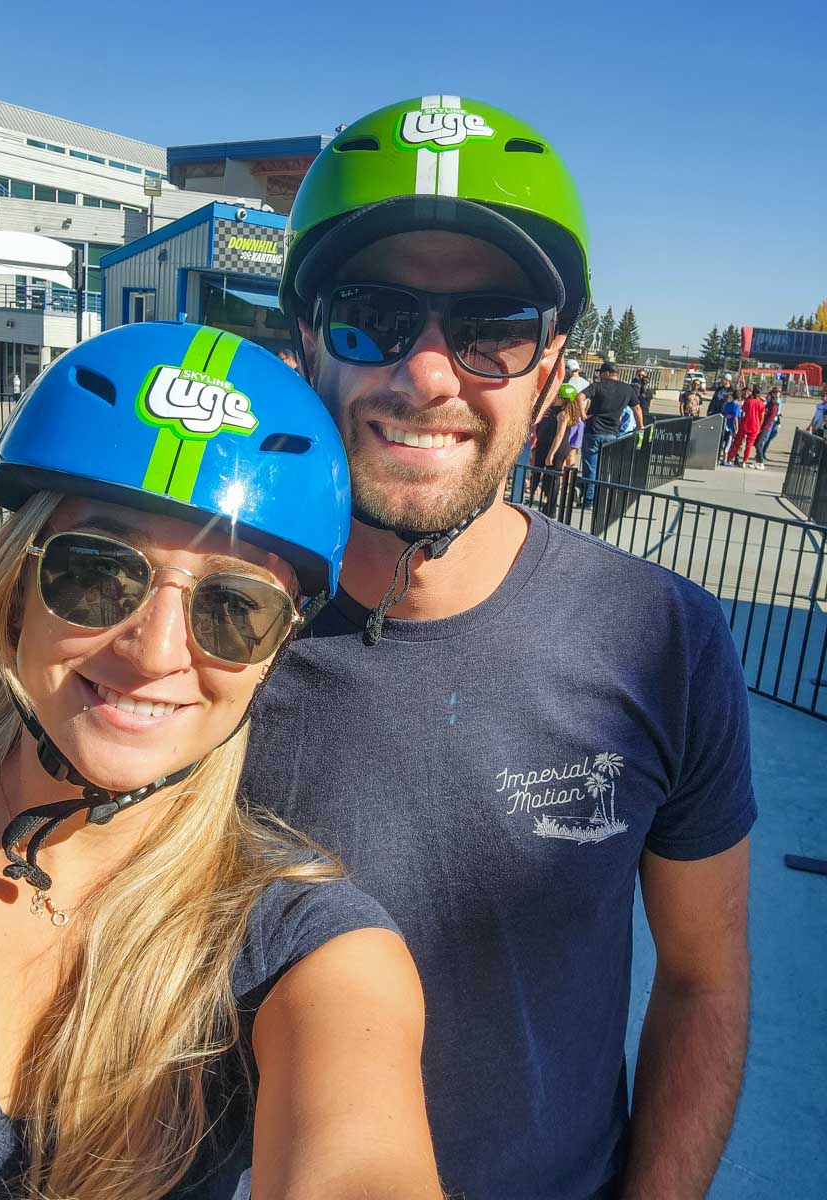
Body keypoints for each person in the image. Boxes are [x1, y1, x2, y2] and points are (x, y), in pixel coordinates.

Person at [246, 95, 756, 1200]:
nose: (429, 374)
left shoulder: (663, 638)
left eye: (492, 328)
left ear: (551, 364)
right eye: (374, 314)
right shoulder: (200, 639)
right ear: (305, 339)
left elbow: (703, 984)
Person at [0, 323, 442, 1200]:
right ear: (15, 583)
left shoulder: (301, 948)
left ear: (275, 650)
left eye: (234, 608)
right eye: (97, 572)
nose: (155, 651)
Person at [581, 361, 635, 506]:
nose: (599, 375)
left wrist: (583, 415)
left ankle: (589, 500)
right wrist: (641, 426)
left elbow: (579, 397)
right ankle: (603, 500)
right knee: (605, 468)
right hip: (612, 433)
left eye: (600, 373)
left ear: (606, 373)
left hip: (593, 431)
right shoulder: (627, 389)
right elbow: (637, 408)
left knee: (591, 467)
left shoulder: (597, 386)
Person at [529, 381, 582, 517]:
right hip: (544, 445)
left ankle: (550, 508)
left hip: (556, 449)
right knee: (539, 472)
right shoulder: (553, 411)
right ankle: (537, 501)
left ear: (563, 399)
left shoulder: (563, 414)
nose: (555, 398)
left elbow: (559, 435)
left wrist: (551, 454)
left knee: (552, 477)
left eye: (558, 396)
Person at [727, 383, 766, 467]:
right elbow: (762, 417)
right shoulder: (761, 404)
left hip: (745, 423)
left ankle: (729, 458)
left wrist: (739, 422)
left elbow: (743, 413)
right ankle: (744, 461)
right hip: (755, 425)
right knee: (749, 445)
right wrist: (759, 426)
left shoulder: (748, 402)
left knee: (737, 442)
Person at [754, 387, 782, 468]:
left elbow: (770, 418)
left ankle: (761, 462)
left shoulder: (774, 406)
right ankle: (757, 461)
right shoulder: (768, 404)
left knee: (760, 443)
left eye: (768, 397)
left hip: (766, 427)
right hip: (762, 426)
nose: (766, 398)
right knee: (757, 443)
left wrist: (763, 427)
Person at [720, 386, 744, 464]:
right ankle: (725, 460)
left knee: (722, 443)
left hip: (724, 425)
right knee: (728, 444)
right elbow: (735, 418)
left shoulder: (728, 404)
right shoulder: (736, 406)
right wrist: (736, 428)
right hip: (730, 427)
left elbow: (724, 413)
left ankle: (721, 459)